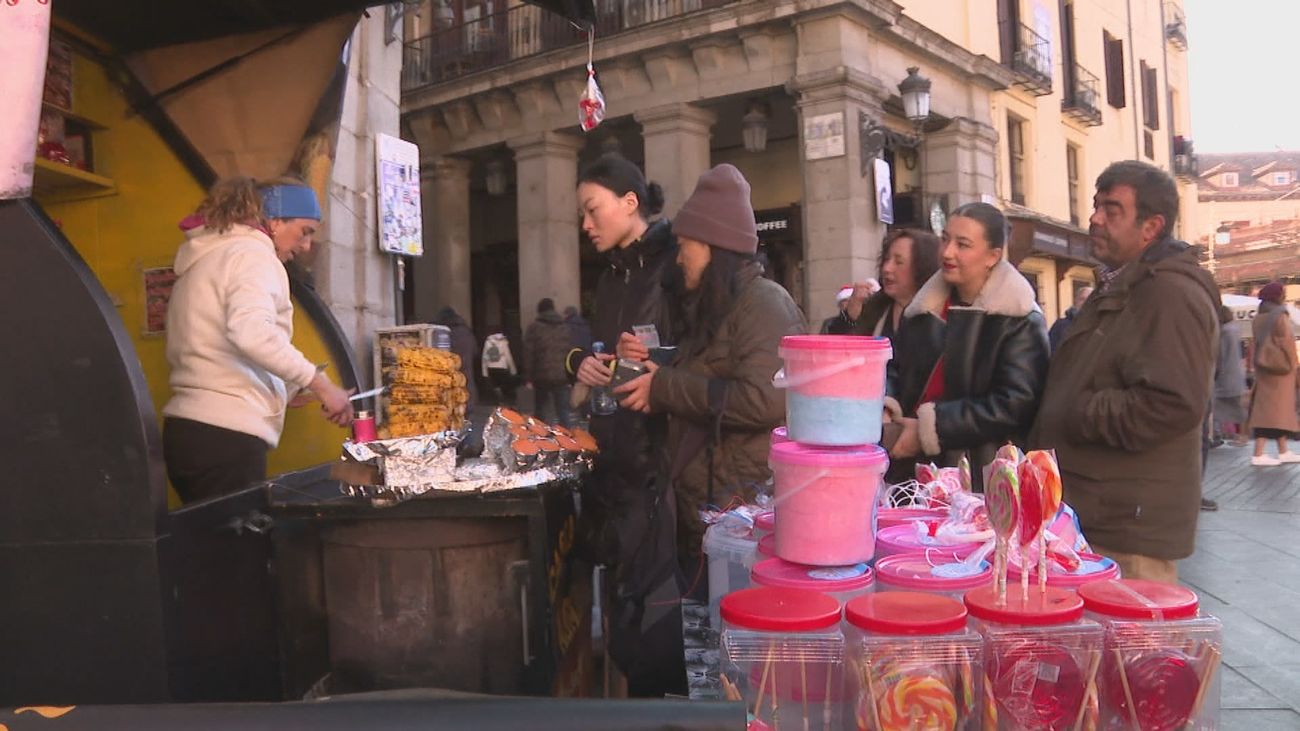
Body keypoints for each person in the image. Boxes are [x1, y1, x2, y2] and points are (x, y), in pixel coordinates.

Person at [1031, 161, 1219, 584]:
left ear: (1151, 226)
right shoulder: (1124, 285)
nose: (1095, 218)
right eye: (1096, 205)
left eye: (1112, 210)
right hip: (1096, 514)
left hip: (1127, 529)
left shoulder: (1169, 293)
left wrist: (1078, 411)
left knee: (1128, 627)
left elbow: (1171, 403)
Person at [614, 163, 805, 578]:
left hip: (744, 515)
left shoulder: (766, 303)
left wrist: (664, 387)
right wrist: (653, 367)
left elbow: (764, 398)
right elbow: (706, 373)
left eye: (686, 246)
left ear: (713, 247)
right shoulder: (712, 305)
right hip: (707, 511)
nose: (680, 257)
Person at [564, 153, 682, 698]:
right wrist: (587, 365)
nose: (586, 224)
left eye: (593, 210)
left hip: (660, 472)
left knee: (658, 631)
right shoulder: (611, 276)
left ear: (630, 202)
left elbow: (701, 356)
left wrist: (659, 361)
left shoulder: (676, 266)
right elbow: (607, 355)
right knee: (620, 623)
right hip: (612, 464)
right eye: (582, 214)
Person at [163, 177, 353, 504]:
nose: (306, 245)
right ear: (275, 221)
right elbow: (252, 333)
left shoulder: (212, 257)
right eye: (304, 231)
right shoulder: (253, 256)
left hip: (192, 431)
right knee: (236, 538)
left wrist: (285, 389)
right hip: (225, 436)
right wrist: (321, 385)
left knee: (212, 536)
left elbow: (217, 343)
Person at [882, 203, 1050, 487]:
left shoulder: (1018, 317)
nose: (948, 252)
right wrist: (888, 407)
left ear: (993, 256)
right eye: (945, 239)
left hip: (982, 475)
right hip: (910, 469)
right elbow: (895, 367)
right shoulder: (923, 309)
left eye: (963, 245)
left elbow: (1014, 404)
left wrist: (930, 429)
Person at [840, 229, 942, 344]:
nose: (886, 268)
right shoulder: (876, 308)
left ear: (922, 267)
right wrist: (850, 317)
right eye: (886, 259)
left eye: (899, 262)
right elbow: (843, 346)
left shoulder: (939, 318)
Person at [1245, 281, 1300, 466]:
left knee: (1277, 413)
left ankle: (1283, 451)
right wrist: (1294, 365)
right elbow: (1287, 343)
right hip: (1281, 370)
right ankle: (1258, 454)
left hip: (1265, 368)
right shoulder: (1280, 316)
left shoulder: (1258, 318)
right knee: (1270, 414)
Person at [523, 297, 574, 427]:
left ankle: (541, 436)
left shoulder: (534, 327)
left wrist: (528, 377)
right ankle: (567, 436)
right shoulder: (564, 327)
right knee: (563, 411)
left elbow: (529, 354)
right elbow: (570, 351)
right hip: (562, 375)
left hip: (541, 375)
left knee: (541, 411)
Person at [1213, 304, 1248, 447]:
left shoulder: (1223, 333)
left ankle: (1218, 434)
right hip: (1237, 374)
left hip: (1226, 375)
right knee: (1238, 407)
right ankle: (1242, 436)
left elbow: (1220, 356)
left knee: (1216, 406)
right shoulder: (1235, 330)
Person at [434, 306, 479, 413]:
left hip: (448, 379)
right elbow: (475, 351)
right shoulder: (466, 331)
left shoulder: (441, 333)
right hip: (467, 377)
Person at [1048, 286, 1093, 353]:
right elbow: (1051, 350)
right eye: (1082, 299)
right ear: (1075, 301)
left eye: (1089, 299)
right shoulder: (1060, 325)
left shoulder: (1100, 325)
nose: (1085, 302)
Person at [481, 331, 518, 406]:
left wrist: (484, 372)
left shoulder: (488, 341)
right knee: (504, 385)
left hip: (491, 367)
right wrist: (513, 370)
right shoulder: (503, 341)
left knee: (495, 385)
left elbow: (484, 357)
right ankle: (504, 401)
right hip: (502, 367)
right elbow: (508, 356)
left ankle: (499, 400)